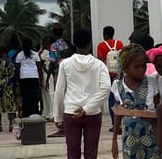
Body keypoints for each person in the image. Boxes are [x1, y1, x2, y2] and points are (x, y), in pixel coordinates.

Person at [53, 29, 111, 159]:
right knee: (91, 152)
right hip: (93, 113)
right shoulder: (99, 65)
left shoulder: (65, 64)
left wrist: (57, 115)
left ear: (74, 44)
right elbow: (106, 88)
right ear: (90, 44)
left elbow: (59, 92)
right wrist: (87, 108)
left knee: (72, 151)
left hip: (71, 112)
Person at [110, 44, 160, 159]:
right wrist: (114, 141)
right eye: (137, 67)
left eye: (144, 66)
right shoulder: (117, 86)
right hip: (129, 141)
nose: (142, 69)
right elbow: (118, 114)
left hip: (152, 138)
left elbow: (158, 110)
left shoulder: (151, 82)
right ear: (126, 68)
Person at [97, 26, 124, 128]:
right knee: (121, 98)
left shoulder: (101, 46)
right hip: (119, 75)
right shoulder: (120, 44)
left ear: (104, 34)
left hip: (108, 75)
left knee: (112, 99)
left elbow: (100, 60)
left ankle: (115, 124)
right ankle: (122, 122)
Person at [16, 37, 43, 118]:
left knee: (25, 96)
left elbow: (17, 68)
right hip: (34, 76)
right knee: (34, 96)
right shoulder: (35, 54)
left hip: (24, 77)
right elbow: (39, 67)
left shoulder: (20, 55)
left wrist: (17, 79)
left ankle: (26, 113)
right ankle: (34, 112)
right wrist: (40, 78)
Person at [0, 46, 16, 132]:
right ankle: (10, 124)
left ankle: (0, 125)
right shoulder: (10, 62)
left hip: (0, 84)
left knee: (0, 104)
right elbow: (12, 74)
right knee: (9, 104)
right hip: (8, 83)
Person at [40, 37, 55, 121]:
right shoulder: (45, 52)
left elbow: (40, 61)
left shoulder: (46, 52)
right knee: (45, 95)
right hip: (44, 75)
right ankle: (47, 113)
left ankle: (52, 113)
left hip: (47, 75)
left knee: (50, 94)